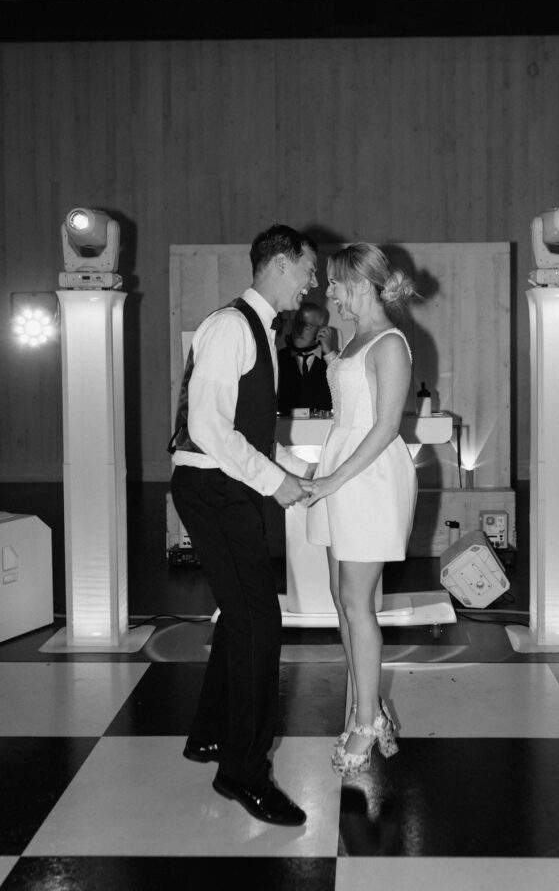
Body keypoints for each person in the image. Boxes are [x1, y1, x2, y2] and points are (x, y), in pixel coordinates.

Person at [169, 224, 317, 826]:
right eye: (308, 269)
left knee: (241, 613)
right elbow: (208, 429)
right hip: (213, 489)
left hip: (224, 487)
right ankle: (243, 773)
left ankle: (209, 733)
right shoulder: (232, 326)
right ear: (280, 264)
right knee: (260, 620)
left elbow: (245, 430)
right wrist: (276, 481)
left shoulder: (256, 329)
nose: (312, 282)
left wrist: (292, 470)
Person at [305, 242, 418, 777]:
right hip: (342, 468)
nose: (327, 291)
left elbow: (386, 426)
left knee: (356, 602)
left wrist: (333, 479)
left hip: (367, 476)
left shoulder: (390, 343)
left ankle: (367, 721)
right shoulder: (356, 340)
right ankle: (366, 709)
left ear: (361, 284)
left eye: (335, 282)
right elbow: (350, 409)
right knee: (342, 600)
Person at [277, 301, 337, 415]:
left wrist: (329, 351)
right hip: (284, 428)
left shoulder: (331, 361)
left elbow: (344, 390)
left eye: (308, 326)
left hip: (321, 429)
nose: (300, 330)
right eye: (298, 323)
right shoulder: (278, 358)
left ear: (321, 330)